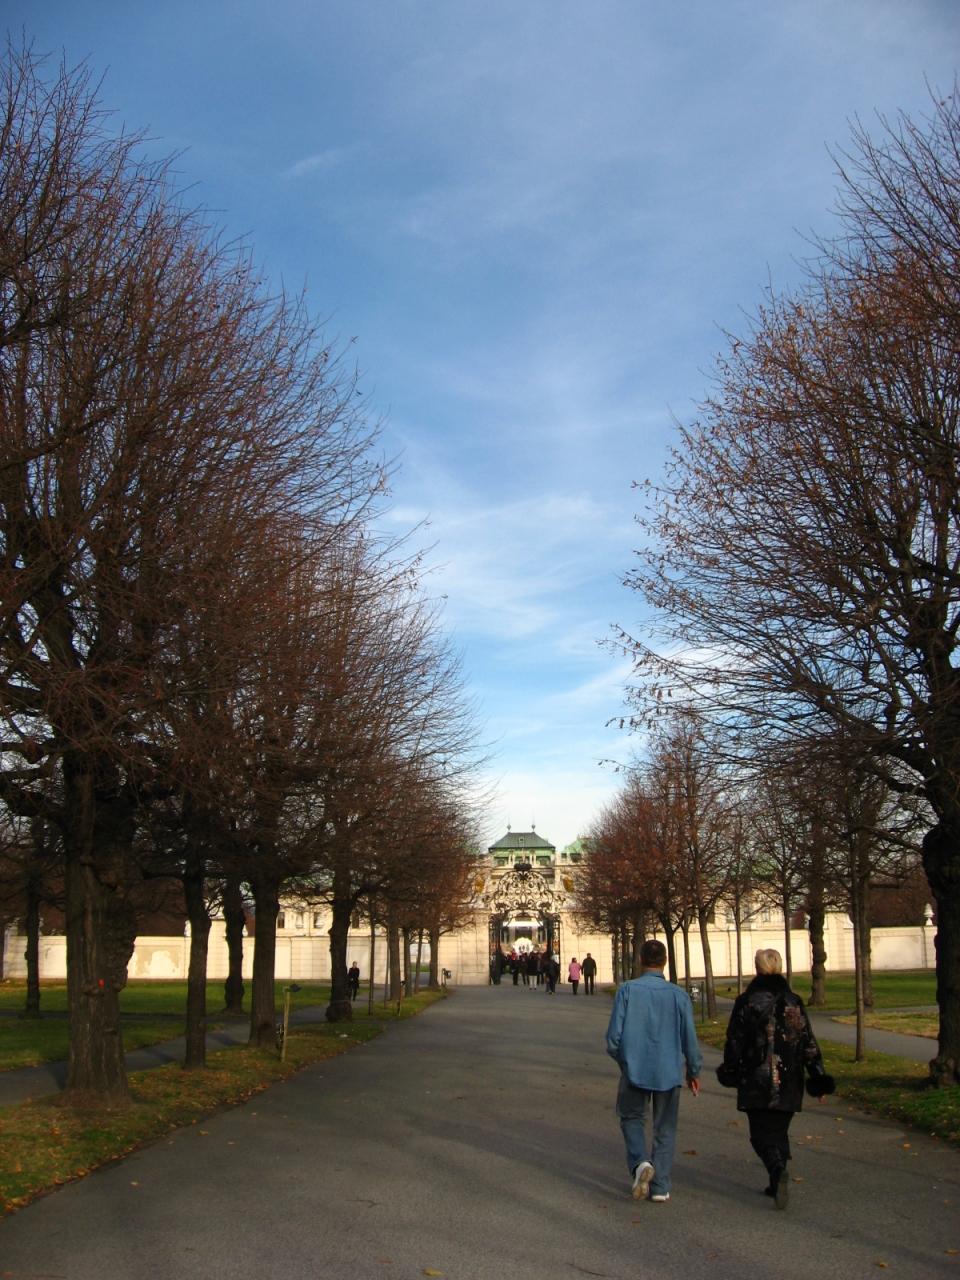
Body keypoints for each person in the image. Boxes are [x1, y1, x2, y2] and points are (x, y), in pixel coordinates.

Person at [716, 948, 833, 1209]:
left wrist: (731, 1068)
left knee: (759, 1134)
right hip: (789, 1076)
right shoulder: (794, 1002)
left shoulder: (747, 1002)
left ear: (757, 968)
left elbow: (734, 1040)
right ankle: (776, 1177)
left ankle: (777, 1169)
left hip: (756, 1077)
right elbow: (807, 1041)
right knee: (779, 1131)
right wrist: (818, 1075)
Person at [606, 938, 702, 1204]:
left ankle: (640, 1162)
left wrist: (626, 1061)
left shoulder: (627, 991)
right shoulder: (679, 996)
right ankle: (660, 1186)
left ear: (640, 960)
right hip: (668, 1071)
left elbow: (613, 1039)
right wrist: (694, 1070)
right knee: (665, 1128)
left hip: (634, 1069)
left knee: (631, 1118)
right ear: (665, 961)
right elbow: (690, 1039)